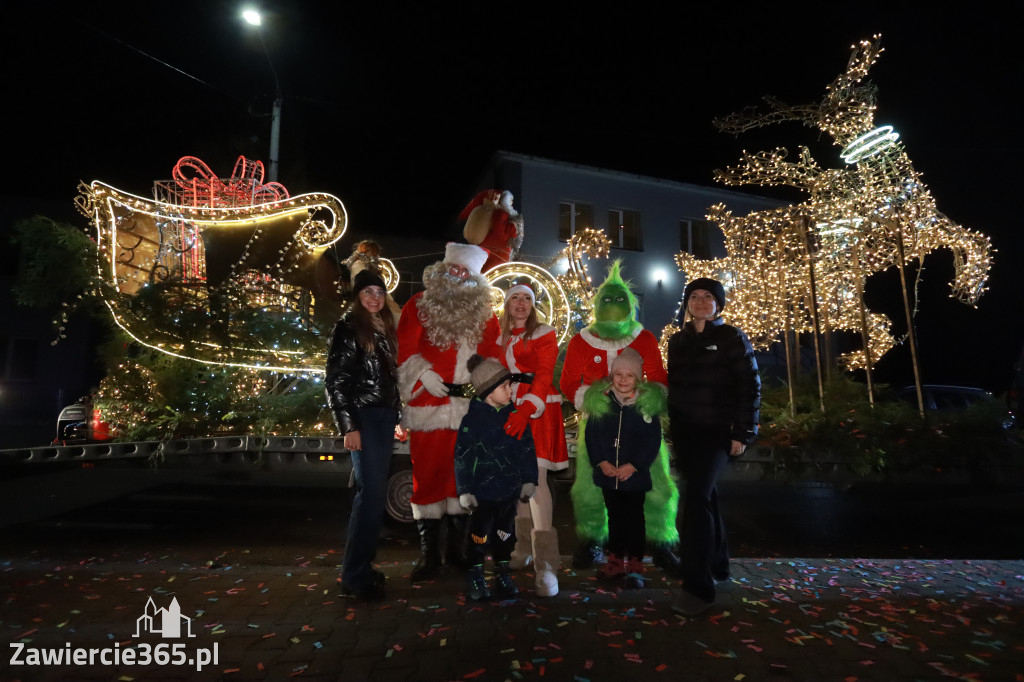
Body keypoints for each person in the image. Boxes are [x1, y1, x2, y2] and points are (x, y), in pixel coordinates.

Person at [559, 262, 681, 575]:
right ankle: (594, 540)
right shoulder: (580, 341)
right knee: (590, 486)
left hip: (639, 421)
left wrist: (648, 398)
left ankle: (661, 540)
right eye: (607, 300)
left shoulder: (645, 339)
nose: (613, 305)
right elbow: (569, 382)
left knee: (656, 486)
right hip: (599, 424)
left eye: (619, 300)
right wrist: (593, 396)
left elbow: (658, 378)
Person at [396, 242, 503, 582]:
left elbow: (491, 361)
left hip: (468, 410)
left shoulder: (486, 316)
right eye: (452, 269)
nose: (457, 276)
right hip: (428, 407)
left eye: (464, 272)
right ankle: (430, 556)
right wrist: (422, 374)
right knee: (427, 477)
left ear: (475, 280)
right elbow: (405, 348)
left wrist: (486, 394)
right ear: (442, 270)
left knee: (462, 479)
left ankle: (457, 552)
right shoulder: (418, 305)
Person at [667, 277, 760, 616]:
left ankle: (697, 585)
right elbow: (676, 390)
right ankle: (719, 565)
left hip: (719, 433)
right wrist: (674, 433)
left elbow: (749, 386)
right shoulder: (677, 341)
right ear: (687, 303)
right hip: (688, 435)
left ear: (718, 304)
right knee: (707, 498)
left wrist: (743, 432)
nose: (702, 301)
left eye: (709, 296)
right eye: (695, 296)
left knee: (695, 502)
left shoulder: (731, 337)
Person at [324, 268, 402, 601]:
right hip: (364, 419)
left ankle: (363, 568)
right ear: (357, 295)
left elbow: (389, 379)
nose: (374, 297)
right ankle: (354, 576)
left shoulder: (384, 329)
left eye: (379, 292)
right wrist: (349, 428)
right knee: (369, 497)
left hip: (383, 418)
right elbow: (336, 382)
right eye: (367, 291)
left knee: (374, 496)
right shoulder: (348, 328)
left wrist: (397, 416)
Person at [497, 284, 567, 597]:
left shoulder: (544, 333)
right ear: (507, 303)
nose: (521, 303)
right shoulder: (498, 337)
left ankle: (547, 564)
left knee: (535, 481)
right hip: (507, 408)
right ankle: (523, 548)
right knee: (515, 483)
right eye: (515, 297)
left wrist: (526, 409)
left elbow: (544, 374)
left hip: (537, 410)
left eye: (527, 298)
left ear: (534, 305)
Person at [455, 355, 539, 601]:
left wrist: (528, 479)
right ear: (489, 391)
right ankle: (477, 574)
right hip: (481, 494)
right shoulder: (473, 421)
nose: (510, 390)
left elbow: (526, 449)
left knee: (505, 535)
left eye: (509, 385)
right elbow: (463, 457)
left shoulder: (514, 416)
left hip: (507, 492)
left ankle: (503, 573)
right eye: (504, 386)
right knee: (478, 536)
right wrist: (465, 489)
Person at [582, 348, 665, 589]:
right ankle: (616, 559)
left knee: (635, 519)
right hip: (609, 475)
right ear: (612, 376)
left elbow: (652, 441)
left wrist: (635, 465)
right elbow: (592, 436)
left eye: (630, 375)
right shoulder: (602, 403)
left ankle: (636, 563)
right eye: (618, 374)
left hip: (634, 476)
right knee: (615, 518)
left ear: (638, 378)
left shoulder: (646, 406)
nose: (623, 380)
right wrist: (601, 462)